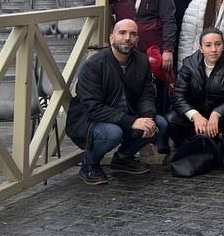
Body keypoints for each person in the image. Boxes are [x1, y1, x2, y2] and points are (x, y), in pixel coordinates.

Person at [66, 19, 167, 185]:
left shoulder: (142, 61)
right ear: (111, 38)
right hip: (91, 121)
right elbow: (93, 108)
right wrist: (133, 121)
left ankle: (123, 158)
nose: (127, 38)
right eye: (122, 33)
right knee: (112, 133)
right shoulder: (94, 65)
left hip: (126, 115)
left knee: (159, 123)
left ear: (137, 40)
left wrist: (147, 118)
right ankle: (89, 164)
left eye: (132, 34)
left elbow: (147, 95)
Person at [167, 29, 224, 168]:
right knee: (171, 119)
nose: (213, 49)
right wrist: (195, 115)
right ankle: (185, 149)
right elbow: (177, 95)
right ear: (200, 48)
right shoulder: (189, 65)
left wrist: (218, 112)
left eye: (218, 44)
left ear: (223, 46)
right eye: (208, 45)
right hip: (197, 119)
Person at [108, 0, 177, 118]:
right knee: (129, 95)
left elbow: (169, 19)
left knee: (156, 95)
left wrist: (168, 50)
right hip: (126, 52)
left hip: (153, 51)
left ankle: (159, 138)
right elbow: (90, 2)